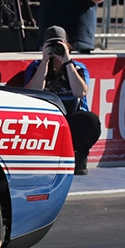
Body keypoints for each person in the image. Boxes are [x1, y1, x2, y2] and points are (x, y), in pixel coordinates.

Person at [21, 26, 101, 175]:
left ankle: (80, 155)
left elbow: (80, 92)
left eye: (59, 45)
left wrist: (67, 61)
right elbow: (33, 92)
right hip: (47, 120)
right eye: (51, 46)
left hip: (70, 118)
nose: (55, 51)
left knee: (91, 121)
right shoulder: (36, 67)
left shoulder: (78, 68)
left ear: (67, 46)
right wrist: (45, 62)